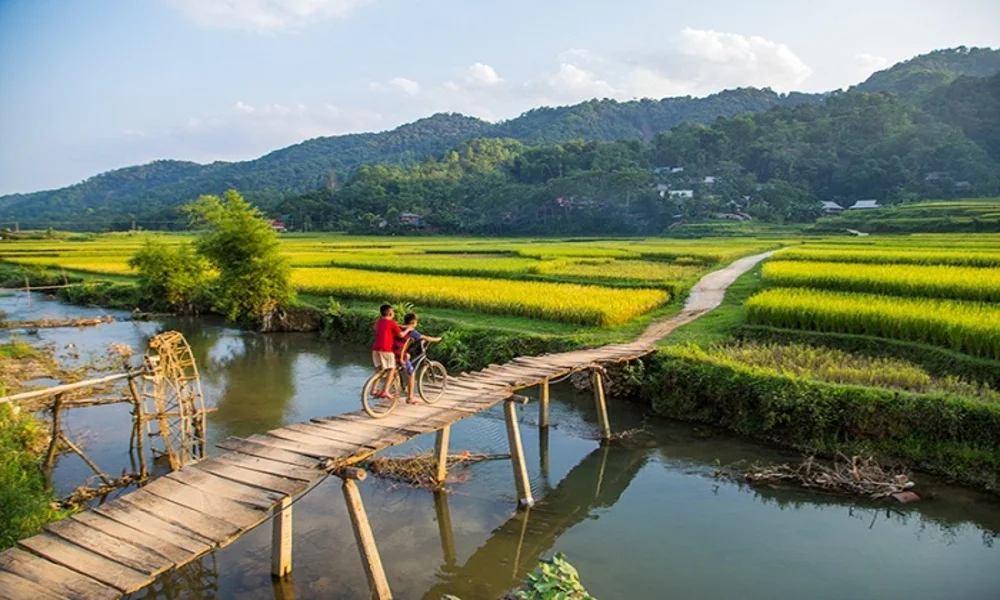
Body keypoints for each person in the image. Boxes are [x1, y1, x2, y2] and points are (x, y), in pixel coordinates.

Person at [394, 312, 442, 404]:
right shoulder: (411, 331)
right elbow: (426, 337)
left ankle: (404, 386)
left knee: (408, 356)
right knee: (412, 374)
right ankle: (410, 398)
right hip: (400, 355)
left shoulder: (399, 327)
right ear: (413, 322)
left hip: (392, 352)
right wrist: (437, 339)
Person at [371, 303, 411, 399]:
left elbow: (377, 328)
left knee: (380, 370)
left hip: (375, 348)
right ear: (389, 312)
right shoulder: (392, 323)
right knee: (392, 369)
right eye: (392, 311)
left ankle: (373, 389)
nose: (393, 313)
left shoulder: (378, 322)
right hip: (386, 349)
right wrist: (408, 329)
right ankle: (385, 391)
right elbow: (401, 335)